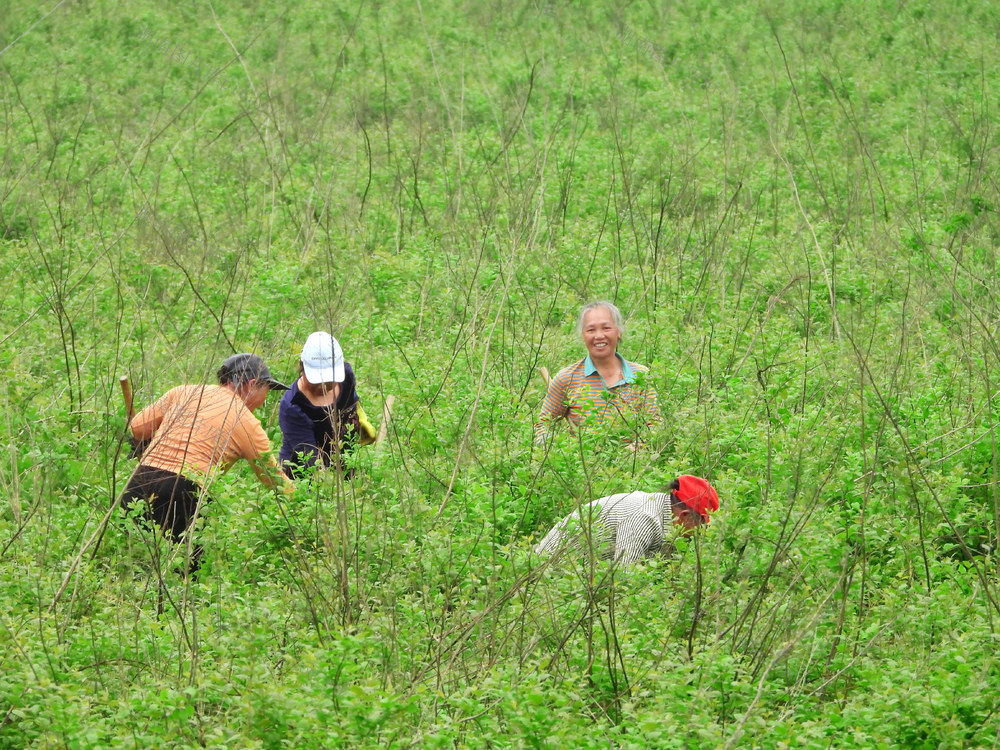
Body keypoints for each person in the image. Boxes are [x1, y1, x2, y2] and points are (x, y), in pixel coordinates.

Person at [123, 353, 294, 565]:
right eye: (266, 390)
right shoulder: (246, 422)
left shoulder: (182, 392)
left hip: (137, 482)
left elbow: (138, 428)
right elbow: (275, 481)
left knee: (131, 566)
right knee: (184, 575)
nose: (264, 401)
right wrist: (303, 504)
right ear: (251, 384)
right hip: (182, 492)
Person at [535, 300, 661, 443]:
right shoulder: (566, 378)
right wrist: (551, 447)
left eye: (606, 328)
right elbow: (543, 424)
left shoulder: (641, 375)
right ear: (583, 335)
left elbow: (654, 425)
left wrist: (635, 449)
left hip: (633, 463)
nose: (599, 336)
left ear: (618, 331)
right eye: (591, 330)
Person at [534, 475, 720, 565]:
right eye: (701, 525)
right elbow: (623, 580)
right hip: (548, 573)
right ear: (685, 516)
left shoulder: (663, 513)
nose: (702, 532)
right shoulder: (644, 518)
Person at [278, 331, 373, 478]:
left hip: (344, 463)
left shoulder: (346, 379)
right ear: (301, 366)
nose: (323, 385)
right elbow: (311, 462)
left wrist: (359, 420)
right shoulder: (293, 405)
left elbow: (352, 404)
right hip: (303, 476)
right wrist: (328, 488)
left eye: (329, 380)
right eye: (317, 380)